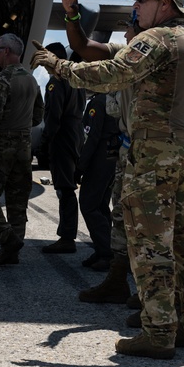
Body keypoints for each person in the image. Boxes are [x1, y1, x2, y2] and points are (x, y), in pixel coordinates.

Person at [32, 0, 184, 359]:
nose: (135, 6)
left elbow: (112, 74)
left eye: (142, 0)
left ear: (165, 5)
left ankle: (160, 332)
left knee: (150, 246)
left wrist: (58, 66)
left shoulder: (157, 39)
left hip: (154, 155)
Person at [0, 33, 44, 265]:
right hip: (24, 144)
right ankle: (12, 252)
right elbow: (38, 115)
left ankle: (7, 239)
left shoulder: (1, 79)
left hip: (1, 143)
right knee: (18, 199)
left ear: (6, 51)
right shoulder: (31, 79)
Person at [37, 42, 86, 255]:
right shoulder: (76, 80)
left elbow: (53, 116)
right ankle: (67, 235)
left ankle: (67, 237)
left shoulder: (56, 82)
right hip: (74, 135)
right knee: (67, 186)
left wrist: (45, 139)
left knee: (65, 188)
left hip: (62, 138)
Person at [75, 91, 118, 268]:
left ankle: (107, 253)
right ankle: (104, 249)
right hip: (112, 156)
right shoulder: (111, 99)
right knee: (101, 205)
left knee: (88, 204)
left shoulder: (97, 103)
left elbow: (91, 137)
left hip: (99, 158)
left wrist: (80, 167)